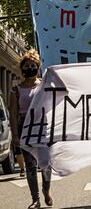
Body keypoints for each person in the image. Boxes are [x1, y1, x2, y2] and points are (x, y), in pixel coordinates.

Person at [9, 49, 53, 209]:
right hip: (24, 129)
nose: (29, 68)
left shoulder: (43, 86)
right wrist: (15, 135)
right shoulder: (16, 90)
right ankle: (36, 199)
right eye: (26, 66)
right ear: (22, 69)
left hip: (42, 128)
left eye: (32, 65)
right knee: (30, 166)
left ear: (38, 66)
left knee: (46, 164)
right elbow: (13, 114)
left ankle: (46, 190)